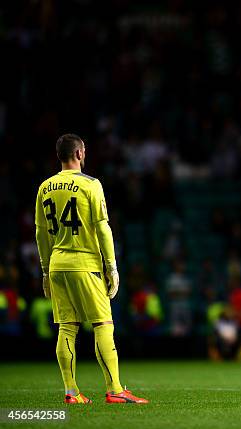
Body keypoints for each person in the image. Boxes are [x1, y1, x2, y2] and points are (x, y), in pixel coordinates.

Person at [34, 134, 148, 404]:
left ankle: (72, 393)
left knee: (67, 328)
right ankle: (115, 389)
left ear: (59, 155)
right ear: (80, 153)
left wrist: (44, 270)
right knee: (103, 323)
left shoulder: (44, 187)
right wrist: (112, 266)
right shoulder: (91, 184)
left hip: (57, 265)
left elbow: (40, 233)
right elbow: (102, 227)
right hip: (85, 263)